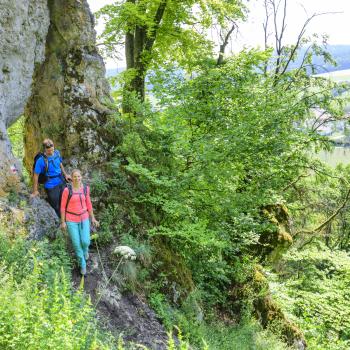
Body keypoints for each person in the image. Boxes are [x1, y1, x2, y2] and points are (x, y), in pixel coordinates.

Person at [60, 169, 99, 275]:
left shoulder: (86, 189)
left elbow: (89, 204)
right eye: (75, 177)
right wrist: (63, 222)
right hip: (71, 220)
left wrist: (93, 218)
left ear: (81, 177)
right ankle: (82, 265)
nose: (77, 178)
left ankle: (85, 251)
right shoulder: (67, 190)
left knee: (85, 241)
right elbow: (63, 207)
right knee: (77, 244)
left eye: (79, 176)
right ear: (71, 178)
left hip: (84, 218)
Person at [31, 139, 71, 217]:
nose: (51, 152)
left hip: (61, 180)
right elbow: (36, 175)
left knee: (65, 200)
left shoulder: (56, 153)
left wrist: (66, 175)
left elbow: (60, 163)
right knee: (55, 205)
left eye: (52, 150)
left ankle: (68, 218)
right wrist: (35, 190)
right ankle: (61, 221)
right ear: (45, 149)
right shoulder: (41, 160)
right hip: (50, 185)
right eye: (49, 151)